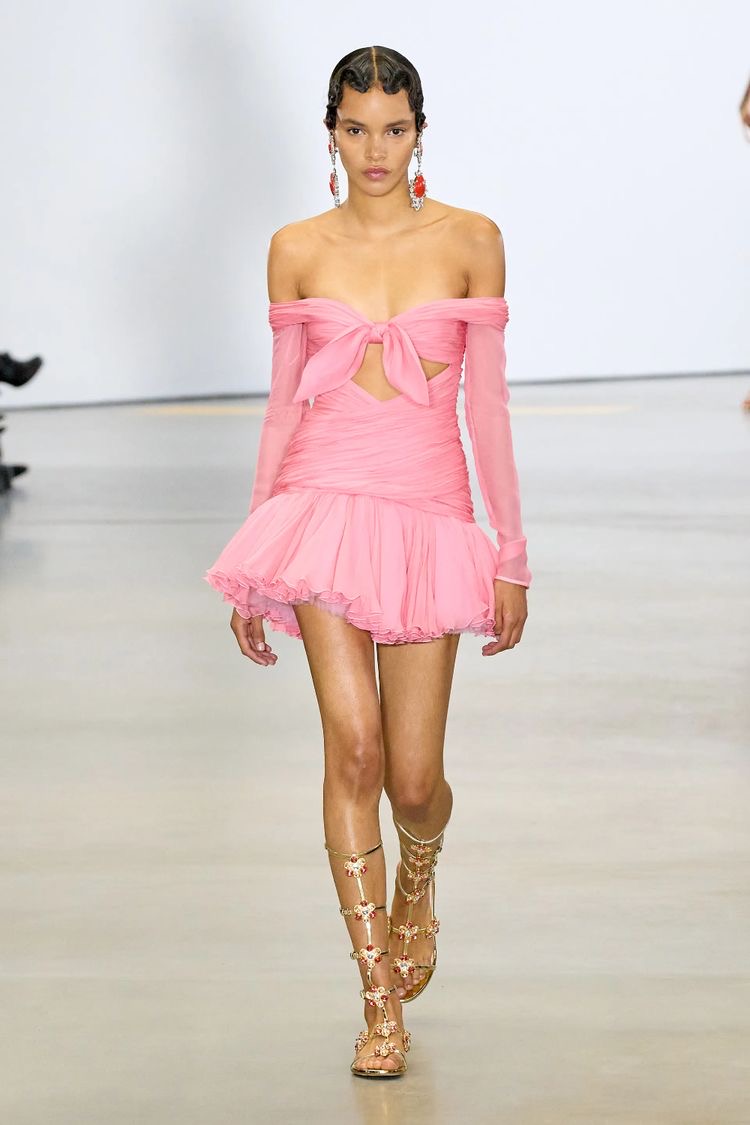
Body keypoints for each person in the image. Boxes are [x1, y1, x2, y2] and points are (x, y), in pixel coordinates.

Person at [203, 45, 532, 1078]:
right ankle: (378, 1000)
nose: (375, 150)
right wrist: (255, 548)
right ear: (331, 133)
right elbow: (280, 406)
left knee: (414, 779)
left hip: (429, 514)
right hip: (319, 507)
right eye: (356, 129)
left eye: (393, 129)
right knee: (351, 753)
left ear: (420, 131)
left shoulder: (472, 241)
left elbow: (488, 409)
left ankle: (419, 877)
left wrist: (511, 553)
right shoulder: (296, 248)